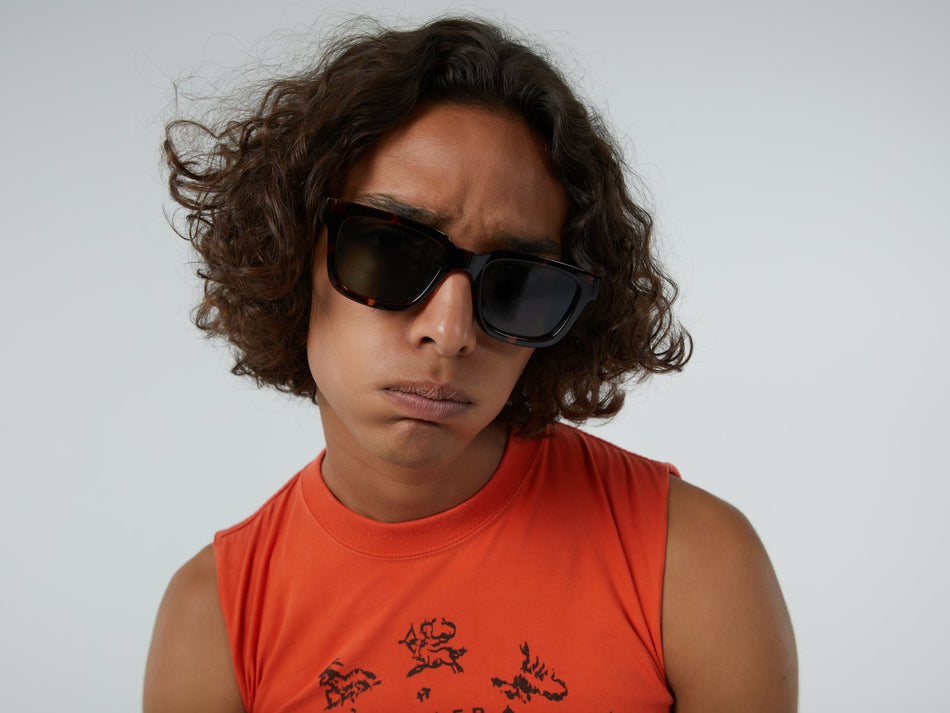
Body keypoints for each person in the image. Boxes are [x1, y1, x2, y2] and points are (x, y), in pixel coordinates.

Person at [144, 17, 797, 713]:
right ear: (289, 252)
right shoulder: (213, 621)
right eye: (392, 252)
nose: (451, 332)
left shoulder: (691, 563)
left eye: (515, 282)